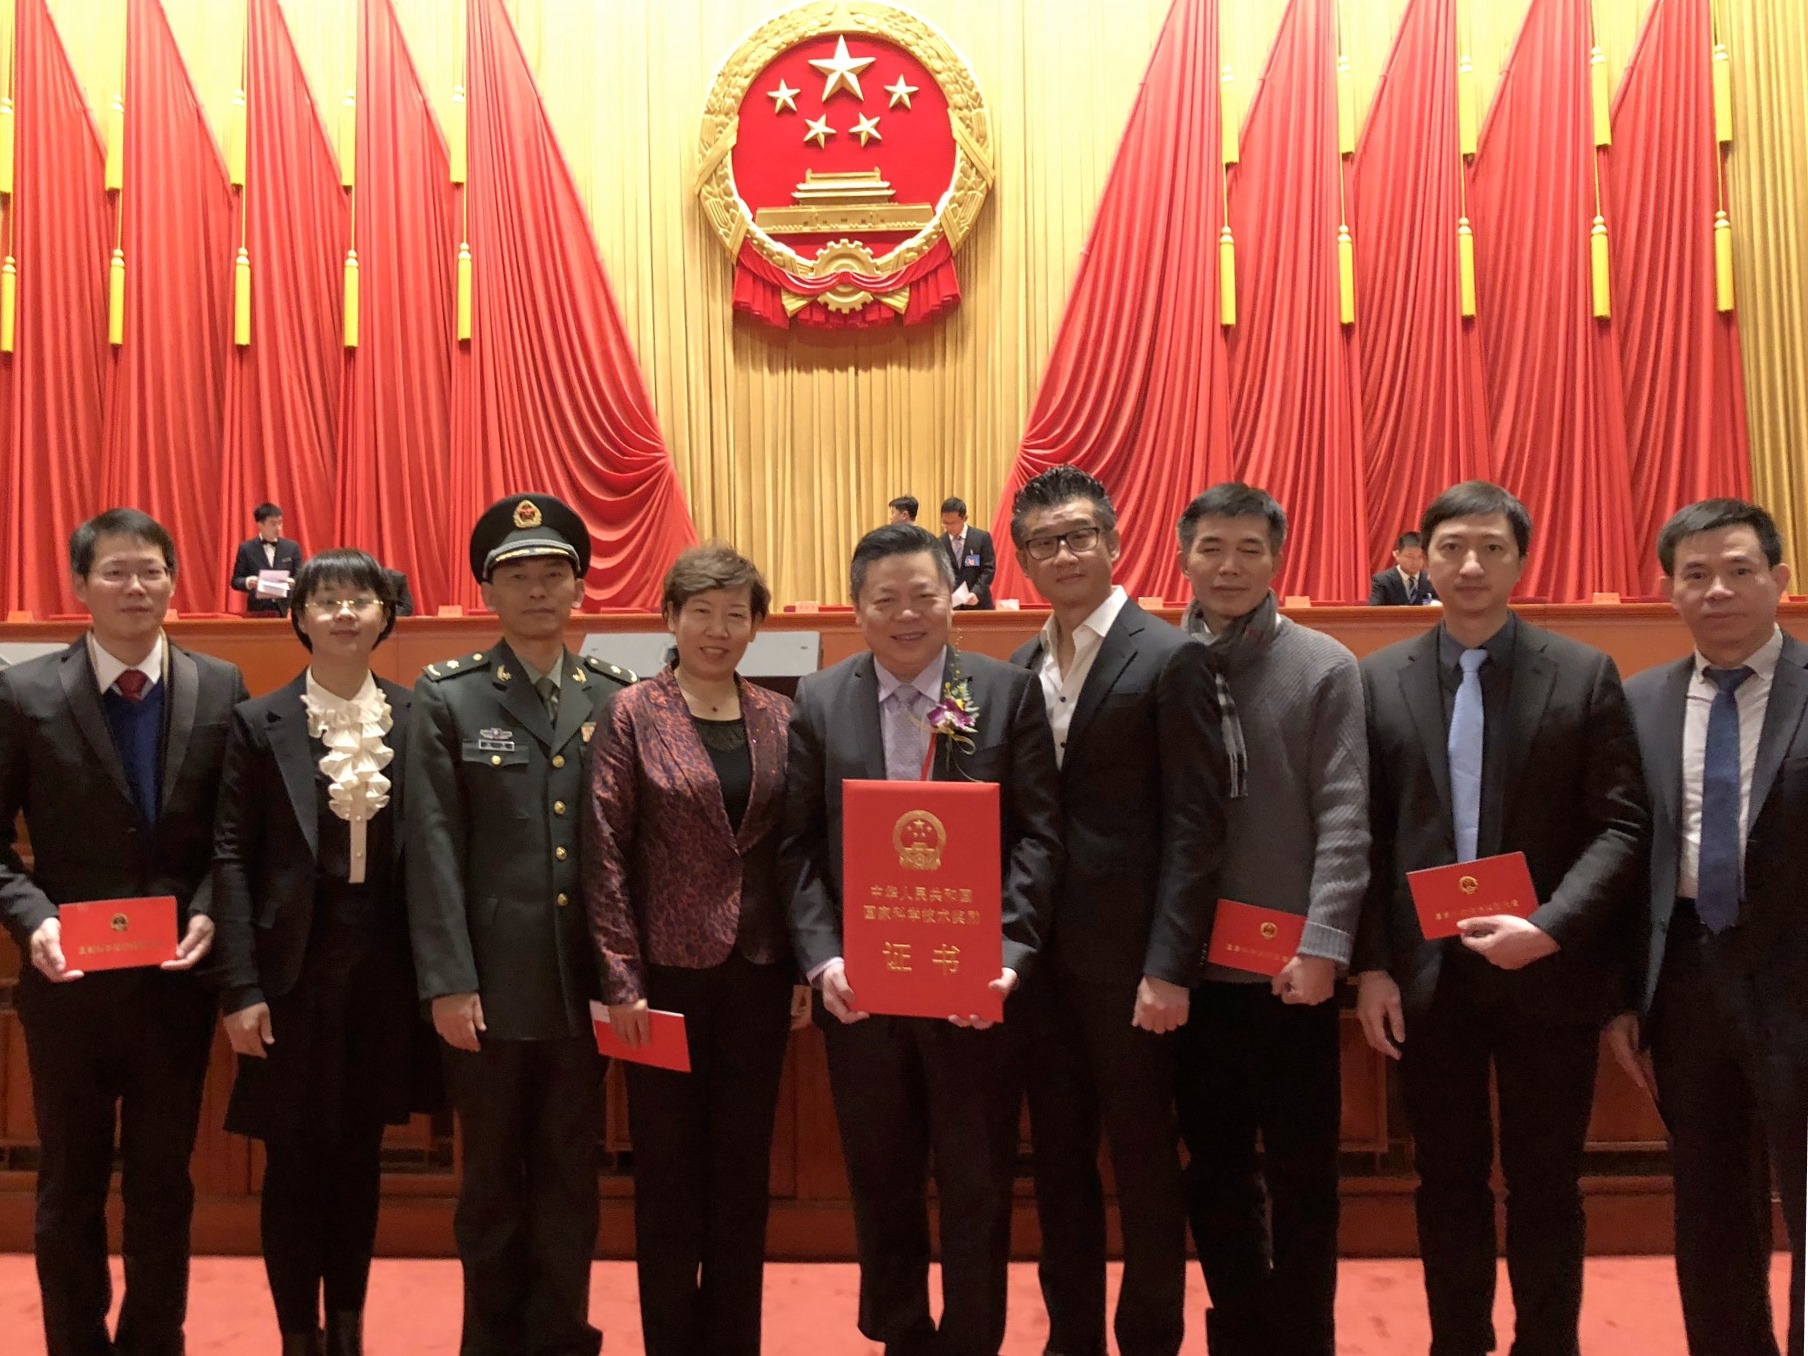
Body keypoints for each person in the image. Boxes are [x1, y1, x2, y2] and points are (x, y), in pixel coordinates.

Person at [1354, 480, 1647, 1356]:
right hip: (1425, 980)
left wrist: (1552, 926)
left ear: (1521, 560)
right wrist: (1371, 964)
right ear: (1423, 558)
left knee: (1547, 1181)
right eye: (1451, 548)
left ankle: (1547, 1343)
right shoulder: (1379, 680)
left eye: (1491, 547)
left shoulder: (1584, 671)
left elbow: (1622, 822)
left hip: (1548, 971)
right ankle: (1459, 1343)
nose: (1470, 564)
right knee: (1443, 1180)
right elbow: (1360, 833)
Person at [781, 522, 1062, 1356]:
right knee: (881, 1174)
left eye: (924, 596)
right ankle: (900, 1332)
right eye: (886, 599)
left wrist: (1006, 961)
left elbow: (1039, 838)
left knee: (977, 1179)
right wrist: (822, 958)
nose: (907, 615)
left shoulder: (1006, 693)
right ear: (859, 609)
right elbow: (796, 848)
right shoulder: (821, 698)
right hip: (861, 994)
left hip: (973, 992)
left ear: (955, 601)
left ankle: (974, 1336)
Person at [0, 508, 246, 1356]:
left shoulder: (221, 686)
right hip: (67, 984)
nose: (134, 587)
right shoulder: (24, 692)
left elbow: (234, 837)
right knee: (69, 1184)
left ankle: (154, 1340)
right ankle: (73, 1342)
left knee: (162, 1186)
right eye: (114, 572)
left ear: (175, 579)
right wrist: (31, 922)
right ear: (79, 586)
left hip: (174, 986)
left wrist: (214, 903)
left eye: (150, 570)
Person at [406, 494, 635, 1356]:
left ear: (579, 588)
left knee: (574, 1179)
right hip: (489, 990)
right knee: (492, 1184)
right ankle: (491, 1341)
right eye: (519, 577)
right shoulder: (450, 696)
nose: (539, 591)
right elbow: (431, 851)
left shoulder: (616, 696)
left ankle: (562, 1334)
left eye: (554, 575)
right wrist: (448, 980)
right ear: (488, 595)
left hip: (585, 988)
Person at [1005, 466, 1224, 1356]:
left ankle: (1148, 1339)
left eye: (1079, 535)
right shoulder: (1020, 665)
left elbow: (1197, 826)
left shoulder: (1170, 657)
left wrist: (1170, 966)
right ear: (1022, 559)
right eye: (1045, 541)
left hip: (1134, 969)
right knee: (1058, 1166)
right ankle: (1072, 1340)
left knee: (1142, 1166)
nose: (1064, 553)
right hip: (1037, 966)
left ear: (1115, 542)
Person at [582, 543, 806, 1356]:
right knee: (670, 1180)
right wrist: (619, 977)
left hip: (757, 975)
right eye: (701, 611)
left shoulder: (782, 717)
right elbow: (604, 848)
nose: (718, 628)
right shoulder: (633, 712)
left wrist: (800, 965)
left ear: (756, 625)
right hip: (662, 983)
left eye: (735, 613)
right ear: (670, 618)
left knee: (741, 1176)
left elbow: (791, 853)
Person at [211, 549, 436, 1356]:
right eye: (327, 600)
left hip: (384, 969)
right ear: (298, 616)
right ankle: (296, 1335)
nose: (345, 613)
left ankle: (348, 1329)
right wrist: (239, 987)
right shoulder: (256, 722)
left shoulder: (418, 718)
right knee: (294, 1162)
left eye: (362, 599)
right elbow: (230, 858)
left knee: (362, 1156)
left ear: (386, 615)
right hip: (289, 975)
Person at [1172, 484, 1367, 1356]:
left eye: (1250, 548)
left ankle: (1303, 1337)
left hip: (1293, 975)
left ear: (1277, 559)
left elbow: (1345, 817)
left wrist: (1324, 946)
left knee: (1302, 1178)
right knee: (1212, 1174)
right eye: (1213, 547)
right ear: (1184, 556)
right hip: (1187, 972)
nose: (1230, 565)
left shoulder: (1323, 665)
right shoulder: (1156, 663)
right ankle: (1241, 1333)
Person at [1610, 498, 1806, 1356]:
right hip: (1688, 975)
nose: (1718, 590)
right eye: (1696, 575)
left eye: (1738, 570)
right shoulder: (1641, 701)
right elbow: (1625, 857)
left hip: (1802, 974)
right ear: (1669, 591)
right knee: (1710, 1200)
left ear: (1780, 581)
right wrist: (1624, 999)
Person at [232, 502, 306, 616]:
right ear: (260, 524)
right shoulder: (246, 548)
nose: (278, 528)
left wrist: (292, 582)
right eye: (273, 524)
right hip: (258, 609)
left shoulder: (292, 547)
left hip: (287, 609)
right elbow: (236, 581)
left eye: (280, 523)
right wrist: (248, 582)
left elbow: (301, 577)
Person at [940, 497, 996, 609]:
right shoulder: (940, 543)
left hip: (979, 604)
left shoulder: (981, 538)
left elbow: (988, 570)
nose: (949, 527)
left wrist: (976, 592)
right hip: (953, 607)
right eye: (945, 523)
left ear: (964, 518)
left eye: (953, 523)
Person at [1367, 532, 1437, 606]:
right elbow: (1374, 610)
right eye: (1410, 557)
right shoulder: (1382, 581)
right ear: (1397, 554)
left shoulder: (1431, 580)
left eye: (1420, 557)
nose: (1415, 562)